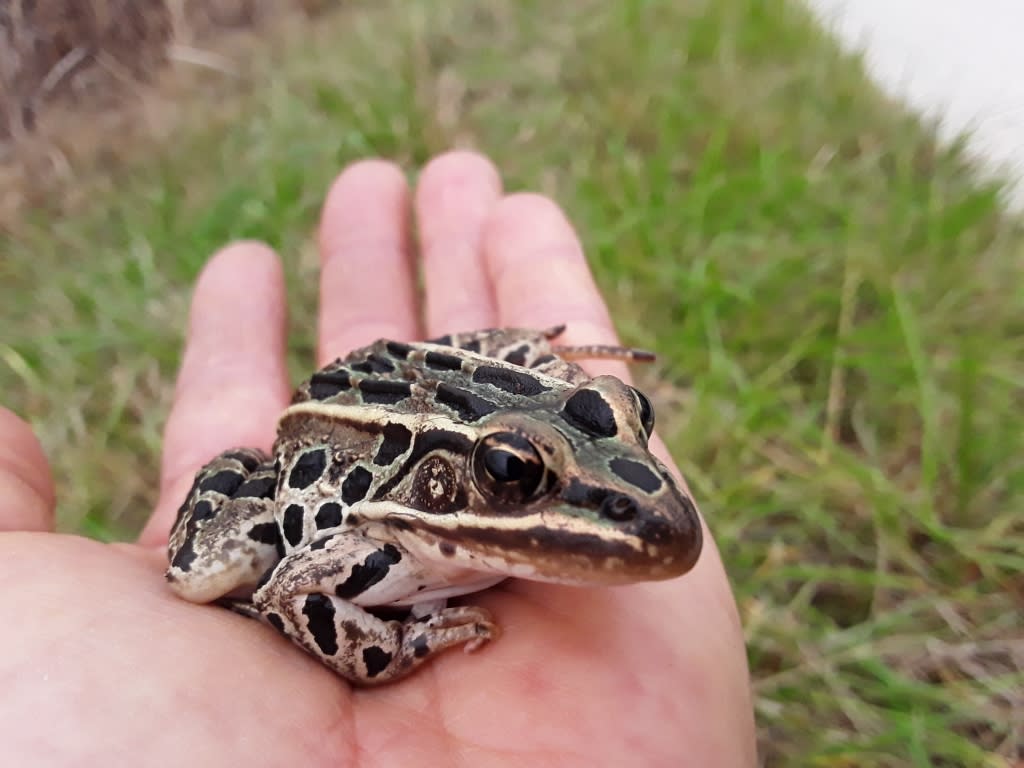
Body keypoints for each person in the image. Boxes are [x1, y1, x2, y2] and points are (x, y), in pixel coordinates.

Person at [0, 152, 757, 766]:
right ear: (464, 477)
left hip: (414, 381)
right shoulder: (370, 553)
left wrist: (529, 363)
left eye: (634, 420)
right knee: (204, 575)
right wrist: (394, 646)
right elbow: (294, 586)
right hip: (327, 445)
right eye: (513, 475)